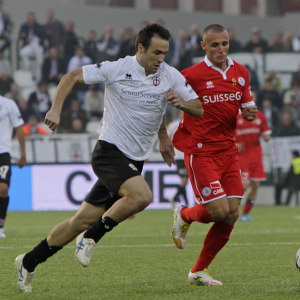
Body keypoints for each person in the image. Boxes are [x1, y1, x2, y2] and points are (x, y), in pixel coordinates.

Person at [14, 23, 203, 293]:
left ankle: (29, 261)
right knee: (142, 197)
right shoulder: (116, 68)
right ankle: (91, 237)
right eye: (156, 53)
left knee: (78, 219)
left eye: (165, 53)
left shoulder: (170, 75)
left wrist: (168, 126)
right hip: (109, 152)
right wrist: (56, 109)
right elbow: (69, 77)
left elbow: (197, 108)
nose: (161, 59)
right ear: (140, 48)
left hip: (134, 160)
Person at [171, 24, 257, 286]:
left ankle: (199, 271)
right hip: (201, 151)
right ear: (204, 47)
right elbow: (171, 99)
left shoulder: (241, 72)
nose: (221, 49)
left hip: (228, 150)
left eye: (225, 44)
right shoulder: (190, 75)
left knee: (231, 213)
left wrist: (249, 112)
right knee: (219, 211)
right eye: (215, 45)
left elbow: (247, 105)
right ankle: (184, 215)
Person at [235, 98, 271, 222]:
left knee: (255, 185)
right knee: (244, 185)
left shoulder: (260, 116)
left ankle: (245, 214)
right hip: (241, 156)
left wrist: (267, 137)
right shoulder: (234, 117)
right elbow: (225, 135)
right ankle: (230, 208)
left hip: (256, 156)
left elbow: (266, 132)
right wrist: (234, 145)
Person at [0, 95, 26, 238]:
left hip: (3, 152)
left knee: (3, 189)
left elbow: (19, 128)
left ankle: (0, 225)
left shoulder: (8, 104)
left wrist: (23, 154)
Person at [167, 110, 189, 208]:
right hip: (179, 156)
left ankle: (184, 202)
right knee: (184, 180)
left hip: (188, 155)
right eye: (182, 113)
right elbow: (167, 138)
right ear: (179, 114)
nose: (183, 115)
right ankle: (175, 197)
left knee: (186, 180)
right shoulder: (173, 125)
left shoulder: (190, 124)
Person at [19, 12, 45, 82]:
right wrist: (22, 35)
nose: (30, 20)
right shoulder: (24, 26)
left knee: (40, 62)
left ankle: (38, 78)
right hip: (29, 45)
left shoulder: (39, 26)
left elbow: (43, 37)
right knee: (22, 52)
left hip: (37, 45)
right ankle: (28, 65)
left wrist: (39, 42)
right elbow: (20, 35)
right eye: (29, 19)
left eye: (31, 19)